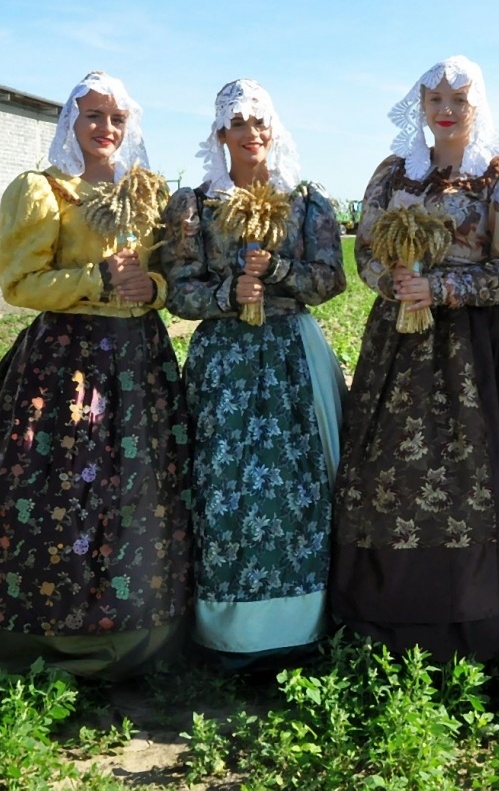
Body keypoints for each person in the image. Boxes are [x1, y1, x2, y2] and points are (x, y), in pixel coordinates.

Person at [0, 71, 194, 679]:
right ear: (70, 122)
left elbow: (165, 278)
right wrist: (97, 279)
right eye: (93, 116)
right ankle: (23, 640)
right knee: (52, 489)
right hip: (67, 362)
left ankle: (142, 637)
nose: (106, 129)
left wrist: (150, 285)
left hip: (140, 361)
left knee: (138, 492)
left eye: (117, 119)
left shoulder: (146, 192)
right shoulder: (42, 189)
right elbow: (19, 283)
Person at [331, 55, 499, 663]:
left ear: (478, 105)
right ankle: (380, 615)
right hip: (397, 344)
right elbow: (368, 250)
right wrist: (396, 281)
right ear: (421, 108)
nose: (447, 111)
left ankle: (475, 624)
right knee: (388, 474)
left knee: (476, 477)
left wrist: (444, 289)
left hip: (475, 351)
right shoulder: (395, 173)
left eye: (459, 100)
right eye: (436, 101)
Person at [161, 79, 347, 668]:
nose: (251, 133)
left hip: (293, 351)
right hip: (226, 364)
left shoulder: (306, 201)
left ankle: (301, 625)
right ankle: (229, 634)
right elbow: (179, 293)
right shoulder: (194, 205)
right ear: (220, 134)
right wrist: (227, 292)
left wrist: (281, 270)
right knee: (224, 489)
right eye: (238, 123)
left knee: (303, 486)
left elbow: (330, 280)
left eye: (260, 121)